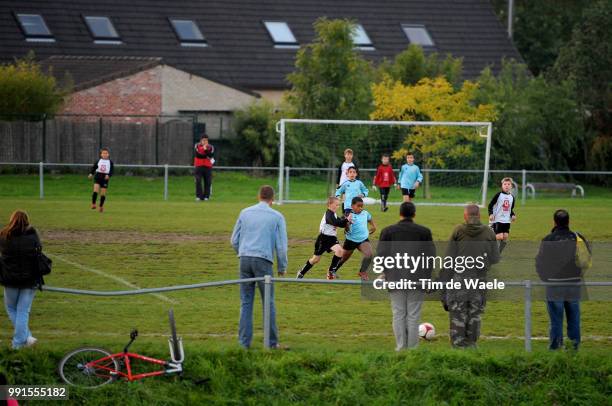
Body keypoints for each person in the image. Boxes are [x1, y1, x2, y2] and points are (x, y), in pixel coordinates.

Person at [231, 185, 287, 349]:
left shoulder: (244, 212)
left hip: (244, 259)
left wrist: (242, 252)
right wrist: (282, 267)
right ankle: (271, 343)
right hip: (263, 261)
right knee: (268, 302)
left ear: (258, 196)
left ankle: (243, 344)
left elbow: (234, 240)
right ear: (273, 199)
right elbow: (281, 247)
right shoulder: (277, 216)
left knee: (246, 302)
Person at [377, 202, 435, 350]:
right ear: (414, 214)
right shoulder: (424, 232)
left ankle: (401, 348)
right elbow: (430, 257)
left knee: (398, 314)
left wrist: (384, 274)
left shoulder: (388, 231)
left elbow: (381, 256)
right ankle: (413, 349)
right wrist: (427, 279)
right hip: (417, 280)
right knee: (413, 315)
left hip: (395, 279)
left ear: (400, 214)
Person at [440, 204, 500, 348]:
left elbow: (449, 260)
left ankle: (458, 352)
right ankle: (472, 347)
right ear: (479, 216)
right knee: (474, 317)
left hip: (459, 280)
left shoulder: (458, 231)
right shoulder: (489, 232)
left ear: (465, 216)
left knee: (458, 318)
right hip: (479, 281)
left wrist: (443, 288)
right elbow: (495, 259)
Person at [536, 209, 590, 351]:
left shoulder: (548, 239)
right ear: (569, 222)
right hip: (573, 284)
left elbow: (540, 263)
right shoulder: (577, 237)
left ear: (554, 222)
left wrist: (546, 279)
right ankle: (573, 350)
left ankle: (555, 349)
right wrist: (579, 275)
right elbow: (586, 261)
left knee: (556, 321)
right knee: (574, 320)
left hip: (554, 285)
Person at [0, 210, 43, 350]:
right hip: (30, 280)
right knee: (22, 311)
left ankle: (18, 344)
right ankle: (26, 338)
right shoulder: (32, 235)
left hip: (10, 279)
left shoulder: (4, 235)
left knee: (12, 309)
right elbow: (39, 250)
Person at [296, 197, 351, 280]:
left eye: (339, 205)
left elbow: (341, 223)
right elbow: (336, 223)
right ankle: (301, 272)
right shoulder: (328, 214)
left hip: (331, 238)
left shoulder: (334, 214)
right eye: (336, 205)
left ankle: (330, 272)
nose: (338, 206)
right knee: (315, 259)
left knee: (340, 251)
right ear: (329, 205)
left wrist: (348, 221)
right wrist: (346, 220)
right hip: (323, 239)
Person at [330, 197, 376, 281]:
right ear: (352, 206)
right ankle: (332, 271)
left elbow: (369, 218)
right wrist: (346, 225)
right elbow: (341, 224)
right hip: (351, 241)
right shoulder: (348, 215)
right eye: (358, 206)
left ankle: (362, 272)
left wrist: (374, 226)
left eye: (362, 206)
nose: (360, 208)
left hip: (363, 239)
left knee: (369, 254)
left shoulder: (365, 213)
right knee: (343, 259)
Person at [488, 177, 516, 253]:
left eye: (508, 184)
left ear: (511, 186)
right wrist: (491, 214)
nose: (506, 186)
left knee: (505, 237)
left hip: (506, 220)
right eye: (505, 184)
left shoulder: (512, 197)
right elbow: (490, 205)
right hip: (497, 219)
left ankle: (498, 253)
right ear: (502, 186)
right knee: (500, 236)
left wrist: (513, 215)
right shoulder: (498, 195)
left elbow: (510, 209)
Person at [88, 148, 114, 213]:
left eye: (106, 153)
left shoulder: (110, 162)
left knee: (103, 193)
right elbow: (94, 168)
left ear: (108, 154)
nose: (105, 154)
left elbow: (112, 170)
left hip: (105, 178)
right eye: (103, 153)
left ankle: (101, 206)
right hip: (98, 176)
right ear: (101, 154)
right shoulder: (98, 161)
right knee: (95, 190)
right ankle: (93, 204)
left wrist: (109, 175)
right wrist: (91, 174)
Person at [194, 134, 215, 201]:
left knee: (208, 181)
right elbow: (198, 155)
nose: (205, 141)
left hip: (208, 166)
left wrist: (205, 150)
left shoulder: (211, 147)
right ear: (201, 140)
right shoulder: (197, 145)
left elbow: (211, 155)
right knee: (198, 181)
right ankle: (199, 196)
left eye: (206, 140)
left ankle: (206, 196)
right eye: (203, 140)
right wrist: (204, 150)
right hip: (198, 166)